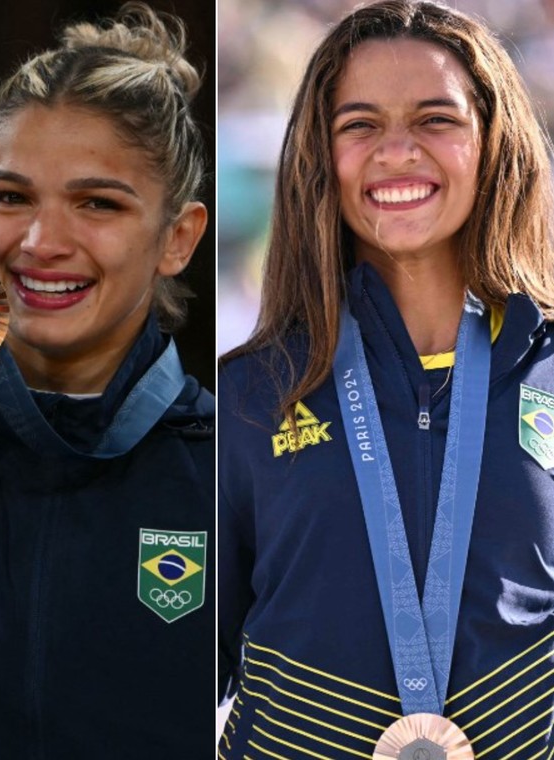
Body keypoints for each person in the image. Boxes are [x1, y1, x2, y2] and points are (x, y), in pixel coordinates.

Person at [218, 1, 554, 757]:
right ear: (318, 156)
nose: (396, 151)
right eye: (360, 125)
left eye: (435, 119)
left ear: (491, 143)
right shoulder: (244, 399)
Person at [0, 4, 214, 756]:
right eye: (10, 197)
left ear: (177, 238)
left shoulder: (231, 466)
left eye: (96, 203)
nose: (40, 243)